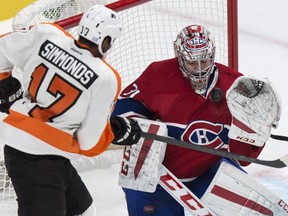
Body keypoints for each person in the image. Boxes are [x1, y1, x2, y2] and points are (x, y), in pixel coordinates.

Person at [112, 25, 284, 215]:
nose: (200, 69)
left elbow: (243, 157)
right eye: (193, 63)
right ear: (180, 57)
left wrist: (256, 129)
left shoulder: (235, 87)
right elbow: (127, 105)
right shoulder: (159, 76)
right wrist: (128, 124)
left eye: (205, 60)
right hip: (156, 177)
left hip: (210, 172)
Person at [0, 4, 141, 216]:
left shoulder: (46, 33)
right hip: (38, 158)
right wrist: (113, 133)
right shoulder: (105, 78)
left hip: (34, 151)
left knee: (84, 211)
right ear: (106, 41)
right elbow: (89, 143)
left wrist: (4, 86)